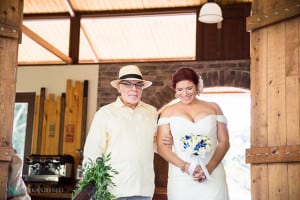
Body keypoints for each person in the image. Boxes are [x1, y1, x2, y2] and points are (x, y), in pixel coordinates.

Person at [83, 64, 170, 200]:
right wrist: (93, 184)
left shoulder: (151, 112)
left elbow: (154, 143)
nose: (134, 89)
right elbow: (93, 151)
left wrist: (172, 145)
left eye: (138, 85)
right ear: (119, 87)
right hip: (114, 189)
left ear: (142, 88)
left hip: (144, 189)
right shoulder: (105, 113)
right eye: (128, 84)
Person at [156, 67, 230, 200]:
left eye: (189, 88)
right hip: (181, 176)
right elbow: (161, 147)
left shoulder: (214, 108)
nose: (185, 93)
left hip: (212, 173)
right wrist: (185, 166)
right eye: (180, 90)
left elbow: (224, 142)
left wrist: (208, 168)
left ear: (197, 86)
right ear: (175, 90)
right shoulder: (167, 111)